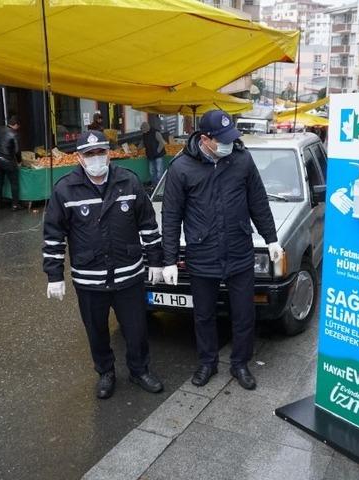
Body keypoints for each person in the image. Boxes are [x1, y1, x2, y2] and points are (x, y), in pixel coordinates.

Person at [161, 110, 283, 391]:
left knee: (244, 313)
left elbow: (258, 201)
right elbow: (171, 215)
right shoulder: (181, 168)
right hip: (202, 254)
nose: (230, 143)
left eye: (232, 137)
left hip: (239, 251)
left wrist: (271, 238)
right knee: (203, 314)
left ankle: (241, 363)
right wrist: (169, 259)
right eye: (223, 139)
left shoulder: (241, 160)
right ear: (205, 139)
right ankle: (207, 362)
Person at [44, 130, 164, 399]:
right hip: (89, 279)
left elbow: (148, 224)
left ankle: (139, 370)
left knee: (136, 329)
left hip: (128, 275)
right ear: (79, 158)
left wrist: (155, 260)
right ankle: (106, 372)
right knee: (96, 331)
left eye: (101, 152)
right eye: (90, 154)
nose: (96, 158)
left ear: (109, 153)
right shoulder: (65, 189)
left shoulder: (129, 182)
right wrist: (54, 275)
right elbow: (53, 235)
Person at [0, 115, 24, 211]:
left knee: (0, 182)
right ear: (15, 125)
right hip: (8, 161)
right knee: (14, 183)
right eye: (18, 127)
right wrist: (19, 162)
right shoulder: (14, 134)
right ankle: (15, 205)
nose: (18, 129)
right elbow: (17, 151)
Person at [141, 121, 167, 187]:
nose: (143, 132)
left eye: (143, 130)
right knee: (151, 171)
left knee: (159, 171)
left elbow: (162, 143)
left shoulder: (156, 132)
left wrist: (157, 151)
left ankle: (159, 186)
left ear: (146, 128)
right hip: (150, 155)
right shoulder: (144, 134)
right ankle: (154, 184)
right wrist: (137, 148)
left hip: (158, 155)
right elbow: (142, 143)